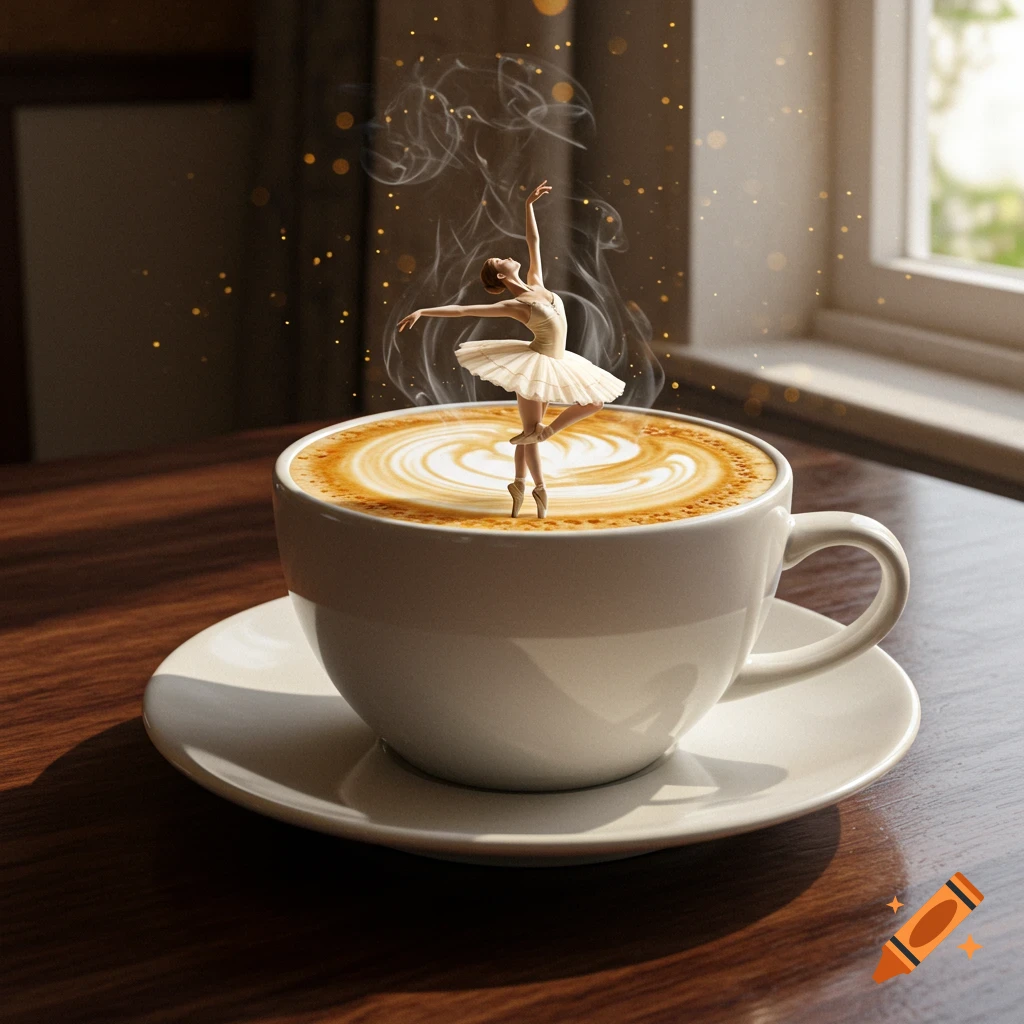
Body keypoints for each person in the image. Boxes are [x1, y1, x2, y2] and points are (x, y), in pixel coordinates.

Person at [397, 180, 626, 519]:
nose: (507, 256)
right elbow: (463, 311)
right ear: (501, 277)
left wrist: (528, 205)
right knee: (531, 434)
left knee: (587, 405)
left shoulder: (536, 282)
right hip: (534, 366)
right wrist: (423, 311)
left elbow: (534, 241)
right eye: (500, 260)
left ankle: (521, 477)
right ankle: (538, 488)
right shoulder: (514, 305)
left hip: (557, 363)